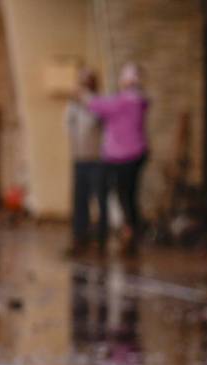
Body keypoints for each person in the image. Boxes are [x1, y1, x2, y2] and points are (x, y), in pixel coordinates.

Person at [86, 62, 149, 255]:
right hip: (134, 153)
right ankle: (130, 228)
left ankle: (127, 229)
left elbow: (97, 105)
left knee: (122, 194)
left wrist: (85, 94)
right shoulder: (138, 101)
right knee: (129, 194)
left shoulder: (125, 102)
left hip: (122, 156)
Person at [67, 69, 109, 255]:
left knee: (100, 199)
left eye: (88, 83)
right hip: (80, 158)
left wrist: (88, 101)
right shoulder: (73, 107)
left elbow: (100, 124)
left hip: (98, 159)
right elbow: (68, 128)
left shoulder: (100, 104)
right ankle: (79, 236)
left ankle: (101, 238)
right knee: (79, 200)